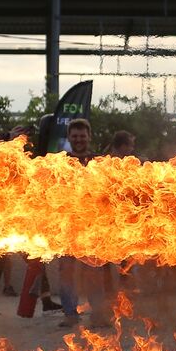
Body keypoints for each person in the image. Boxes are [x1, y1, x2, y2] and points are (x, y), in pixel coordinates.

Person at [55, 119, 112, 328]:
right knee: (66, 272)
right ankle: (70, 314)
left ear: (89, 137)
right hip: (68, 225)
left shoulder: (98, 162)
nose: (78, 140)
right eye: (75, 136)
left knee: (94, 273)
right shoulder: (61, 162)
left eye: (82, 136)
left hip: (93, 225)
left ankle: (98, 313)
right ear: (69, 138)